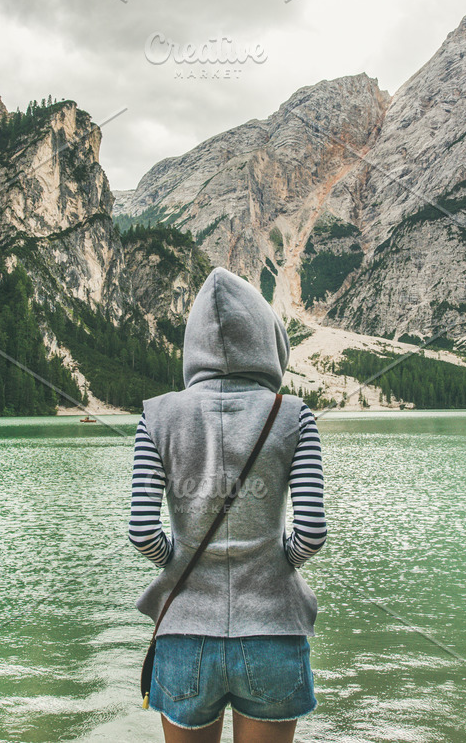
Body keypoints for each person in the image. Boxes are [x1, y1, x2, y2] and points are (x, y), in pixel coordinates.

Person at [129, 268, 326, 742]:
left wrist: (176, 559)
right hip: (273, 630)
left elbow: (141, 530)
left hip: (184, 636)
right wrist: (279, 559)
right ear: (266, 340)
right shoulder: (295, 416)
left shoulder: (156, 416)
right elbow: (312, 532)